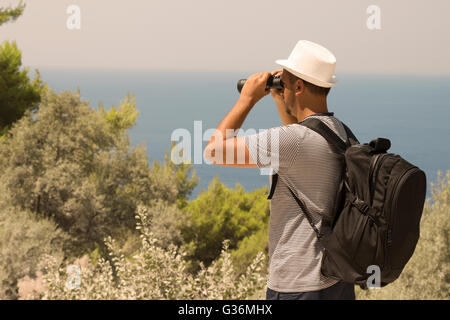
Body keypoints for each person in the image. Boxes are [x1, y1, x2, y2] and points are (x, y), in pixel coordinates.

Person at [203, 40, 355, 300]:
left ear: (298, 86)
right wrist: (280, 101)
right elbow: (299, 141)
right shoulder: (340, 131)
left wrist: (247, 100)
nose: (280, 87)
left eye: (283, 82)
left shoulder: (293, 141)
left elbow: (214, 151)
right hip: (336, 281)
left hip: (298, 285)